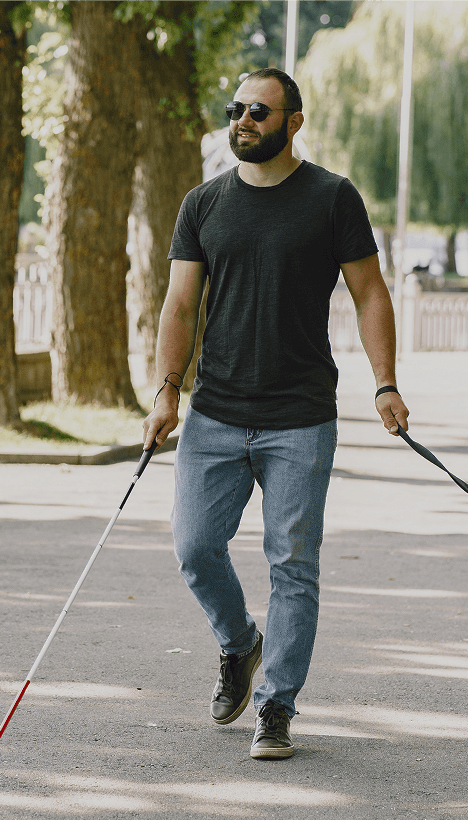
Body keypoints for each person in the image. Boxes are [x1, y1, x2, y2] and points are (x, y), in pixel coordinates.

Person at [142, 67, 410, 761]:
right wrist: (166, 387)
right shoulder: (203, 204)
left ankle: (276, 706)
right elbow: (178, 305)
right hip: (215, 413)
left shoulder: (331, 199)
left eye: (259, 110)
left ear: (294, 121)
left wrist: (384, 381)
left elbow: (370, 293)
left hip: (300, 416)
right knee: (195, 547)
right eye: (236, 109)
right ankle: (241, 643)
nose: (244, 120)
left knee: (292, 563)